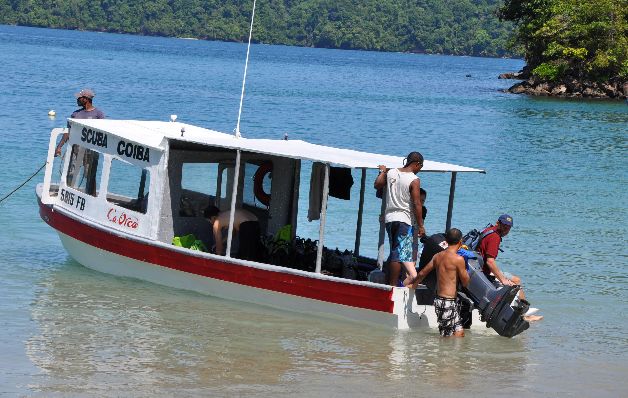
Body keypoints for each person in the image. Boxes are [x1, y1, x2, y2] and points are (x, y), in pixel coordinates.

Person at [374, 151, 426, 287]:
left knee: (394, 250)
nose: (419, 170)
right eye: (420, 167)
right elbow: (416, 203)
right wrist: (421, 226)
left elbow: (377, 185)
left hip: (390, 218)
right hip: (404, 220)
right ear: (417, 164)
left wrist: (383, 171)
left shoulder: (391, 173)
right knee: (398, 254)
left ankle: (391, 281)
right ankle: (393, 286)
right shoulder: (413, 179)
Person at [477, 214, 542, 321]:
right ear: (498, 223)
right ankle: (522, 315)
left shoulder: (489, 230)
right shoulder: (495, 237)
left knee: (516, 279)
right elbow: (490, 262)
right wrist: (503, 280)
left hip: (480, 266)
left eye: (508, 227)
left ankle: (522, 312)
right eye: (504, 226)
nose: (506, 229)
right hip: (484, 271)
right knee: (516, 281)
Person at [412, 228, 470, 337]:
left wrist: (413, 285)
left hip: (445, 301)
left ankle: (453, 353)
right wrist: (466, 270)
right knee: (447, 337)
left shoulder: (437, 256)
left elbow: (422, 273)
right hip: (446, 301)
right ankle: (443, 353)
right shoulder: (459, 259)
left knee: (459, 333)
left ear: (446, 241)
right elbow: (466, 282)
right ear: (460, 242)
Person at [55, 88, 105, 156]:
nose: (77, 99)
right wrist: (59, 147)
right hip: (76, 149)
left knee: (89, 167)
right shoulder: (75, 114)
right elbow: (68, 132)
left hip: (92, 150)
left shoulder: (98, 114)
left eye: (79, 98)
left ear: (85, 99)